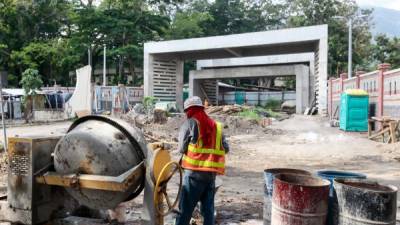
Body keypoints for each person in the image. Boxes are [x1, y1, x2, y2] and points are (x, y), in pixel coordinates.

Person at [175, 96, 229, 225]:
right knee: (208, 210)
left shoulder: (190, 123)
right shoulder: (217, 126)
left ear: (189, 110)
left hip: (194, 174)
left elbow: (181, 148)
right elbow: (225, 148)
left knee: (185, 209)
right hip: (211, 175)